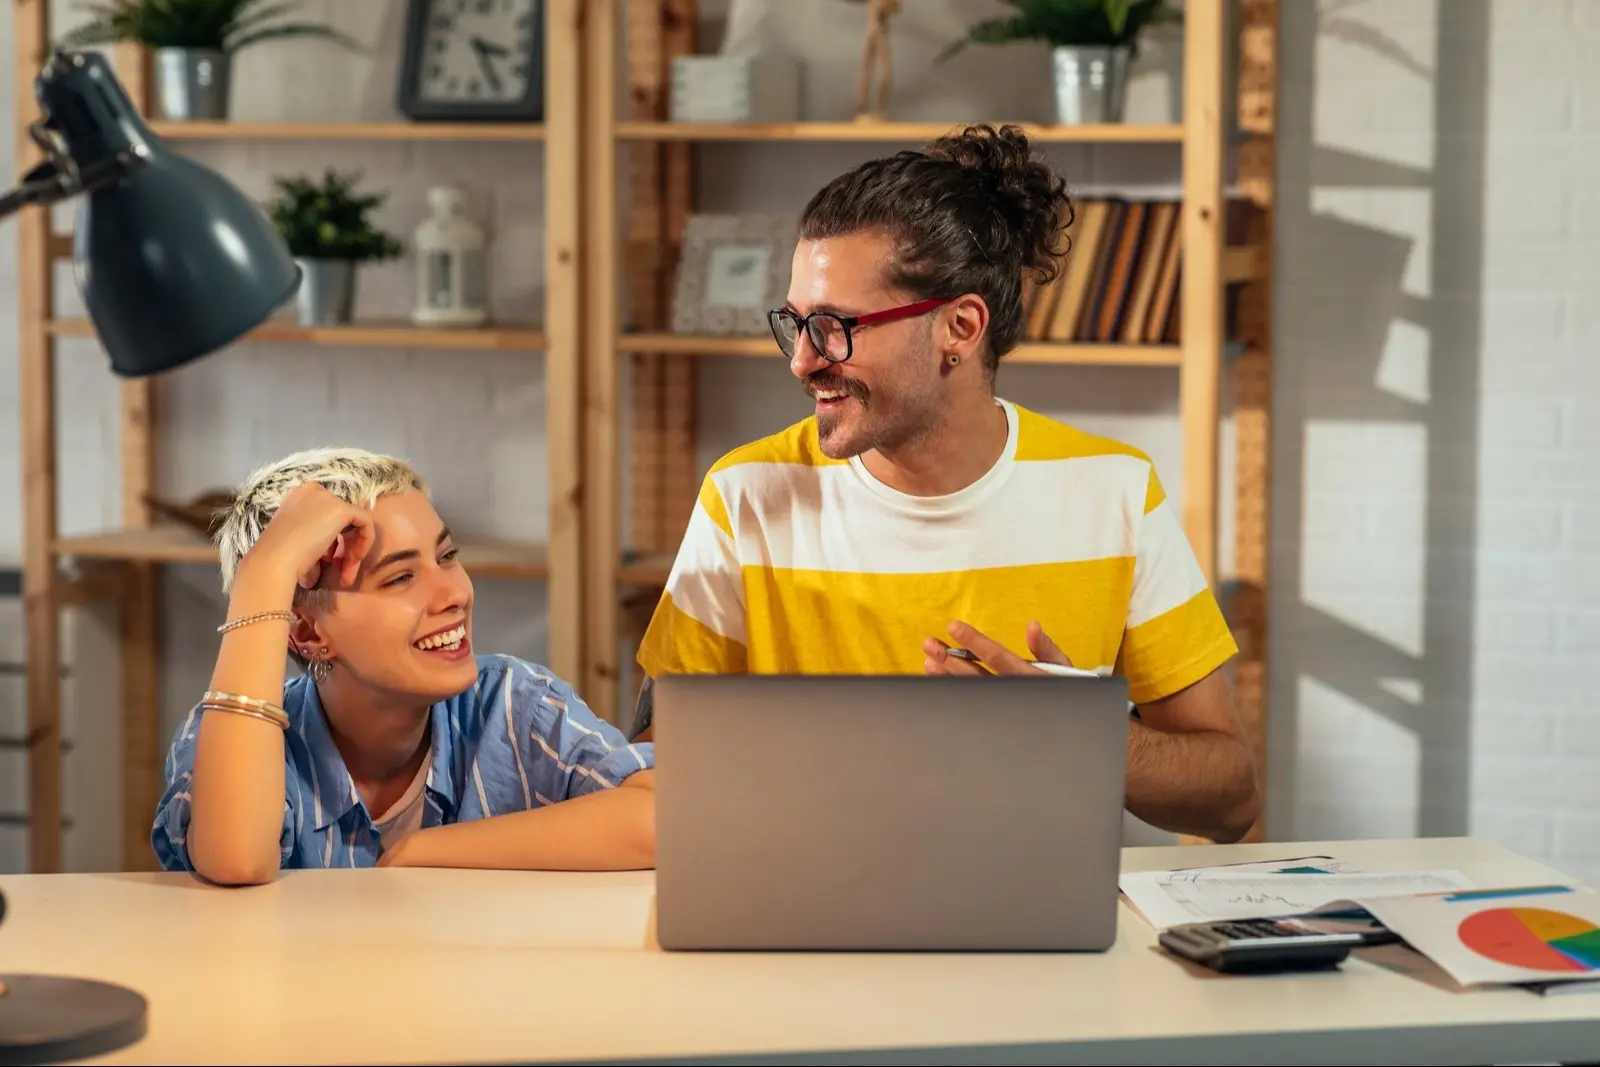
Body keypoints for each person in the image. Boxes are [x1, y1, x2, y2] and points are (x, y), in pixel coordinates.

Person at [628, 123, 1259, 844]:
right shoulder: (746, 495)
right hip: (800, 896)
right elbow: (651, 773)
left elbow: (1231, 799)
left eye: (834, 326)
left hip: (1030, 912)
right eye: (795, 324)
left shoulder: (1113, 493)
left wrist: (1084, 734)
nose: (801, 361)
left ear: (960, 327)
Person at [152, 447, 655, 884]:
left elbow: (665, 819)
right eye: (399, 578)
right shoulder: (229, 738)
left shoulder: (515, 706)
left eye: (447, 556)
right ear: (306, 633)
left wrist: (425, 852)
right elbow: (237, 860)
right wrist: (265, 575)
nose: (453, 594)